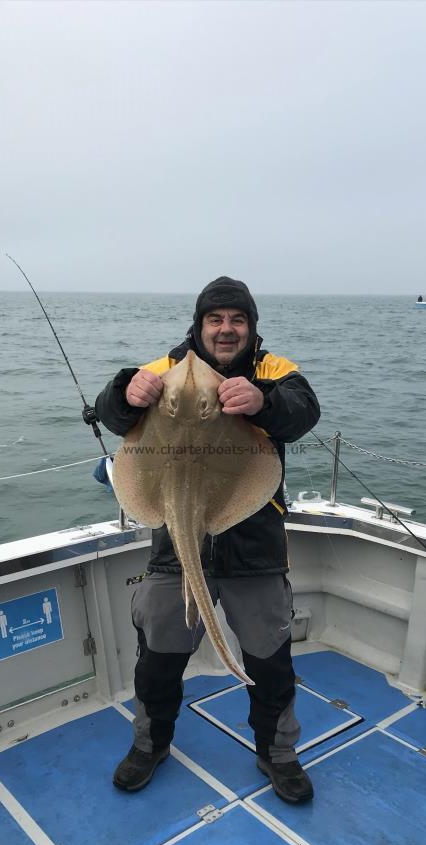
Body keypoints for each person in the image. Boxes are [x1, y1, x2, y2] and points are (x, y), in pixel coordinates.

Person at [95, 276, 321, 803]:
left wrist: (261, 402)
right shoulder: (163, 370)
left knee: (271, 661)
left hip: (255, 549)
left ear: (251, 327)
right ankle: (150, 744)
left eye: (237, 320)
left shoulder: (275, 371)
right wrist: (126, 392)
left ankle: (279, 754)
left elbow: (303, 411)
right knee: (157, 658)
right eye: (215, 319)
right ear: (198, 326)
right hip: (174, 545)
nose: (226, 329)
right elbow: (112, 412)